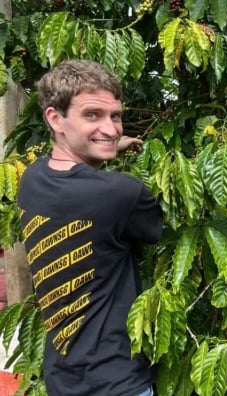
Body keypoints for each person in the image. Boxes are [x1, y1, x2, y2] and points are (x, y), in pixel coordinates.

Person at [17, 59, 163, 396]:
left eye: (115, 116)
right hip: (119, 383)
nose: (111, 129)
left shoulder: (31, 179)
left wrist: (105, 146)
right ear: (55, 118)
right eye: (92, 115)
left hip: (63, 379)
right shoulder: (123, 193)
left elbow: (81, 185)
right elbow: (152, 229)